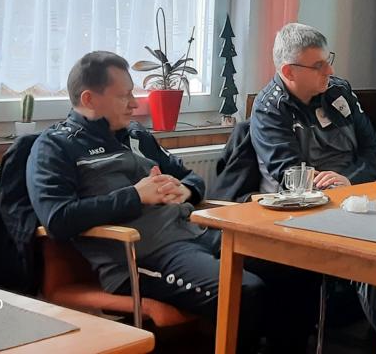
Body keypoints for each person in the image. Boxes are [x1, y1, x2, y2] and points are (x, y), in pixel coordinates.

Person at [27, 51, 311, 353]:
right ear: (89, 99)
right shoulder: (56, 147)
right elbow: (57, 219)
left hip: (195, 233)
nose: (134, 104)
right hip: (144, 257)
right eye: (124, 96)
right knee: (244, 291)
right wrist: (135, 196)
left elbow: (191, 177)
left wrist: (185, 191)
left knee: (294, 267)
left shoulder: (136, 136)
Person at [250, 22, 376, 193]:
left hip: (352, 191)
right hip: (297, 202)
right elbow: (291, 176)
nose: (330, 71)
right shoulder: (269, 108)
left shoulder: (340, 92)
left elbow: (374, 151)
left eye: (328, 60)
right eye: (318, 66)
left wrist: (349, 180)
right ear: (289, 72)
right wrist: (334, 187)